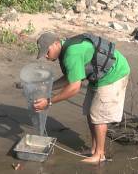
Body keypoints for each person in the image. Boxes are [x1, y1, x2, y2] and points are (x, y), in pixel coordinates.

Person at [33, 32, 130, 164]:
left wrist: (49, 102)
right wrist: (48, 88)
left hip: (114, 74)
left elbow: (74, 88)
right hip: (100, 75)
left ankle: (100, 155)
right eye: (43, 53)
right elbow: (71, 77)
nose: (45, 55)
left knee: (98, 115)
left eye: (47, 51)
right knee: (91, 112)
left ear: (56, 43)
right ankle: (94, 150)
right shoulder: (67, 50)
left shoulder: (71, 54)